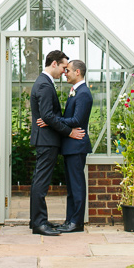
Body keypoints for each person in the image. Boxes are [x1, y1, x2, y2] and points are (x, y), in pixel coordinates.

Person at [29, 50, 85, 236]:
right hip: (46, 140)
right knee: (41, 182)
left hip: (47, 139)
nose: (64, 71)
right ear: (54, 64)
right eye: (63, 67)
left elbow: (49, 116)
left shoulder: (44, 82)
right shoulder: (44, 85)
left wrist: (52, 119)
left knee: (40, 180)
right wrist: (69, 131)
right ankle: (39, 223)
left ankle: (38, 220)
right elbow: (47, 115)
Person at [39, 59, 92, 233]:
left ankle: (76, 222)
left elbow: (77, 120)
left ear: (78, 72)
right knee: (71, 186)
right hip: (71, 146)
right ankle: (70, 220)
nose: (65, 73)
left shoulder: (83, 93)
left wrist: (51, 120)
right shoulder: (76, 91)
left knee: (76, 186)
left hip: (77, 145)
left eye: (68, 70)